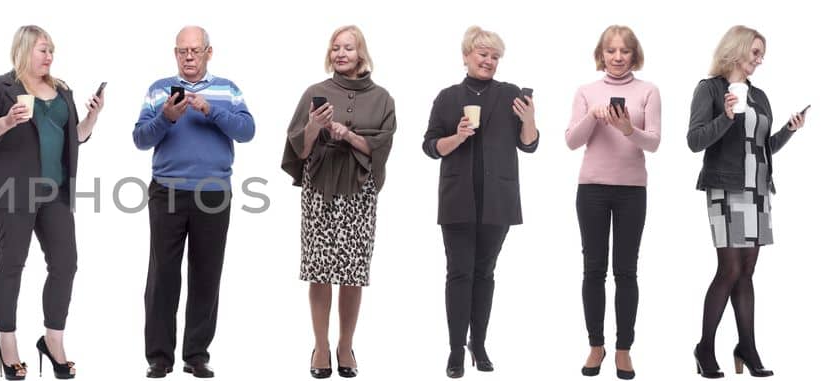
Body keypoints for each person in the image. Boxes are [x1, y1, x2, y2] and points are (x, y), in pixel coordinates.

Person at [0, 25, 104, 380]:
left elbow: (74, 138)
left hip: (55, 192)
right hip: (13, 191)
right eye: (43, 49)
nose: (49, 56)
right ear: (25, 49)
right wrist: (6, 120)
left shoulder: (62, 90)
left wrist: (92, 116)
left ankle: (53, 341)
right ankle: (7, 344)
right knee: (12, 262)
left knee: (66, 263)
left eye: (51, 51)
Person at [132, 25, 255, 380]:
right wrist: (166, 118)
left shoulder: (227, 90)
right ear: (175, 53)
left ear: (208, 53)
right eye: (183, 50)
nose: (189, 56)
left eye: (195, 50)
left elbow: (247, 132)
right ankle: (159, 357)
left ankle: (196, 355)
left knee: (206, 274)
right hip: (167, 190)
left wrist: (210, 111)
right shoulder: (158, 90)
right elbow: (140, 138)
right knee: (162, 276)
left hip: (214, 194)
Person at [687, 25, 807, 379]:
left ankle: (747, 346)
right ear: (736, 49)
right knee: (729, 269)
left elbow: (762, 147)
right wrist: (725, 118)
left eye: (761, 53)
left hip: (758, 192)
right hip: (725, 189)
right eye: (755, 52)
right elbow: (695, 141)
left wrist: (788, 130)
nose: (759, 59)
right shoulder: (709, 89)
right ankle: (705, 348)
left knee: (748, 271)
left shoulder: (760, 96)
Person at [420, 25, 539, 379]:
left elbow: (529, 144)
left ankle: (479, 343)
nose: (488, 61)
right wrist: (455, 137)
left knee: (485, 273)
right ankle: (456, 349)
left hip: (498, 200)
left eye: (494, 56)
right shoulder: (446, 97)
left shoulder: (510, 94)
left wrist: (529, 120)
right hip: (457, 199)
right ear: (466, 56)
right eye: (482, 54)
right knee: (459, 273)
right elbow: (429, 146)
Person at [280, 25, 395, 380]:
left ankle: (345, 345)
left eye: (347, 47)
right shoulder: (315, 92)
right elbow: (298, 145)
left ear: (361, 52)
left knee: (352, 273)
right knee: (320, 271)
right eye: (335, 48)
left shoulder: (383, 98)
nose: (340, 53)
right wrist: (315, 126)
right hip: (321, 189)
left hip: (359, 191)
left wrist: (349, 135)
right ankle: (321, 346)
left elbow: (383, 146)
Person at [564, 25, 659, 381]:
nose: (618, 57)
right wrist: (594, 115)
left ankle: (623, 349)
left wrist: (627, 129)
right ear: (601, 54)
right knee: (593, 269)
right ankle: (595, 345)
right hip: (591, 190)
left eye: (625, 51)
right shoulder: (586, 92)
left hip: (632, 190)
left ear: (634, 55)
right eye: (611, 51)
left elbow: (654, 143)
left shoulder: (648, 91)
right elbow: (571, 141)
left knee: (626, 271)